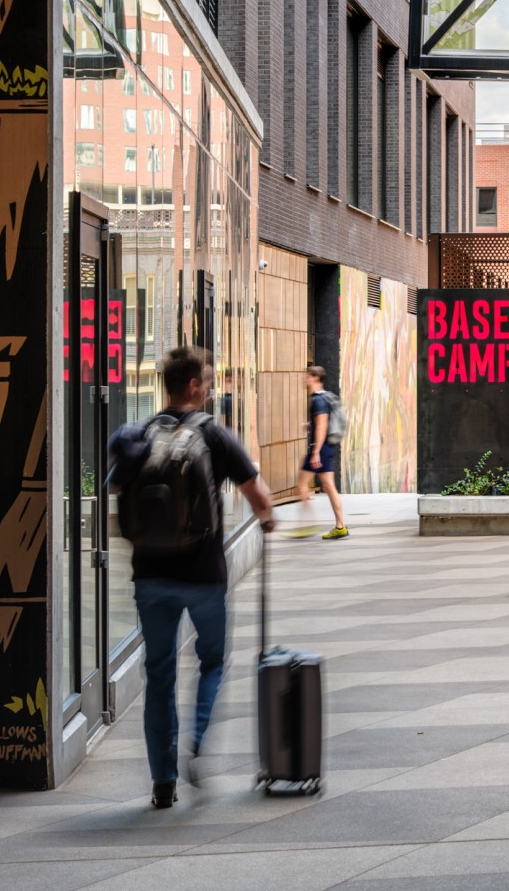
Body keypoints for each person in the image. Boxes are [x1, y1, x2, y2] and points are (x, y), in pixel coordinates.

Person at [106, 345, 274, 810]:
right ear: (195, 386)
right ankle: (197, 739)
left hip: (150, 576)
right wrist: (267, 520)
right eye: (209, 382)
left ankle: (163, 780)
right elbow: (259, 497)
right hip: (203, 576)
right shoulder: (213, 434)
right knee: (212, 661)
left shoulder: (141, 434)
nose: (212, 390)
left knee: (159, 675)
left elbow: (115, 487)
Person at [286, 364, 348, 540]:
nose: (304, 379)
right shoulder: (323, 398)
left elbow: (322, 427)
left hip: (320, 448)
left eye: (307, 376)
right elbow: (321, 423)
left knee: (301, 483)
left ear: (315, 378)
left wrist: (315, 452)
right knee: (329, 486)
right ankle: (340, 526)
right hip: (327, 447)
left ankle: (307, 524)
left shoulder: (318, 400)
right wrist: (310, 425)